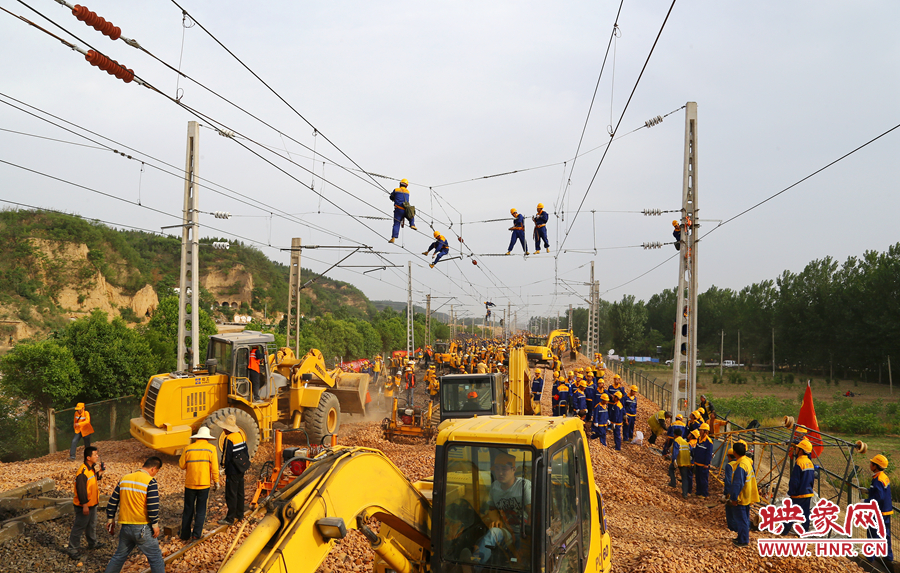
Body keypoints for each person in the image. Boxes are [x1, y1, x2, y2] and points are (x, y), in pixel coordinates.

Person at [464, 451, 532, 564]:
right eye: (497, 469)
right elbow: (492, 509)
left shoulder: (524, 486)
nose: (500, 473)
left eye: (504, 469)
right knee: (493, 533)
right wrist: (496, 519)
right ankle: (474, 565)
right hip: (508, 532)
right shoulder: (495, 488)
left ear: (513, 470)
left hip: (524, 532)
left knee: (521, 558)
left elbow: (532, 513)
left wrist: (528, 538)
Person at [104, 456, 164, 573]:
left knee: (118, 557)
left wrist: (110, 520)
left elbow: (112, 503)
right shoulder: (150, 481)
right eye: (157, 471)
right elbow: (152, 506)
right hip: (142, 528)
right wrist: (155, 524)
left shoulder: (124, 479)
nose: (155, 474)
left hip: (125, 528)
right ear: (153, 468)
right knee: (156, 559)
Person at [178, 426, 220, 541]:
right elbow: (215, 468)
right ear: (207, 438)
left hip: (190, 484)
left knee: (188, 509)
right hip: (204, 484)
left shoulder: (188, 448)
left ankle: (184, 534)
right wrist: (216, 481)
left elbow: (182, 465)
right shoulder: (211, 449)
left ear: (197, 437)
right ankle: (196, 534)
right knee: (201, 510)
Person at [66, 445, 106, 558]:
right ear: (88, 457)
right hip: (84, 505)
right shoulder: (82, 472)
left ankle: (92, 543)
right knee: (79, 527)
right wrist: (84, 505)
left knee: (91, 525)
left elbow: (93, 479)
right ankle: (72, 549)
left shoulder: (91, 468)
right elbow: (81, 490)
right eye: (95, 455)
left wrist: (101, 472)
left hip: (92, 504)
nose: (97, 456)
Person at [217, 415, 249, 526]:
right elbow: (246, 451)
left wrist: (222, 466)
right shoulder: (240, 435)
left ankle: (230, 518)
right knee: (240, 492)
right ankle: (240, 514)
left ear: (227, 429)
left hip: (232, 470)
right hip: (241, 468)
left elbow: (226, 456)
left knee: (231, 494)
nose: (223, 429)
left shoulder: (228, 439)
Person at [726, 441, 759, 548]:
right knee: (743, 517)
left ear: (734, 452)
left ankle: (743, 540)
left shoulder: (741, 465)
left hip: (742, 497)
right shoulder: (747, 462)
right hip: (747, 495)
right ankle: (741, 537)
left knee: (741, 519)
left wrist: (734, 498)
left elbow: (738, 483)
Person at [863, 454, 893, 564]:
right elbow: (881, 493)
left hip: (878, 511)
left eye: (872, 463)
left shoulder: (877, 479)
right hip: (886, 510)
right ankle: (888, 557)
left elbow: (878, 497)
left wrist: (865, 501)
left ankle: (870, 557)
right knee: (885, 534)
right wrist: (868, 491)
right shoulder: (883, 477)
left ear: (875, 466)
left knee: (872, 532)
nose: (870, 464)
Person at [787, 438, 815, 534]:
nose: (796, 450)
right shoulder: (810, 463)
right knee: (805, 513)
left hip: (799, 494)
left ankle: (785, 531)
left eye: (798, 448)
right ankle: (805, 530)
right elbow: (811, 479)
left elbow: (795, 480)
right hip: (808, 492)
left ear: (801, 450)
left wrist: (791, 492)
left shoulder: (799, 463)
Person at [388, 178, 416, 243]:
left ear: (400, 184)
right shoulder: (408, 192)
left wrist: (394, 198)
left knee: (396, 224)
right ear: (406, 185)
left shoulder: (396, 190)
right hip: (406, 210)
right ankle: (412, 224)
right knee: (411, 216)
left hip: (398, 210)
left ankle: (393, 237)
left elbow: (391, 197)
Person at [668, 427, 692, 498]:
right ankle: (685, 494)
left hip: (679, 460)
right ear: (681, 434)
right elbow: (690, 451)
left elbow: (675, 450)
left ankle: (673, 483)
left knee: (671, 469)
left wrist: (674, 459)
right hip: (686, 461)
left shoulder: (677, 440)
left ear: (675, 435)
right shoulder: (686, 442)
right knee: (684, 477)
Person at [693, 423, 713, 498]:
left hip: (703, 465)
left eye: (701, 430)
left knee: (703, 479)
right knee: (698, 478)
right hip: (697, 462)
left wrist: (706, 464)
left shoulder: (709, 442)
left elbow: (708, 454)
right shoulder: (699, 438)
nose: (700, 432)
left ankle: (704, 494)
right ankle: (698, 492)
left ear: (706, 432)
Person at [723, 447, 738, 534]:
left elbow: (728, 481)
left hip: (732, 491)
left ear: (729, 456)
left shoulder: (729, 465)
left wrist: (726, 494)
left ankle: (732, 529)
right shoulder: (742, 463)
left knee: (730, 510)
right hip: (740, 490)